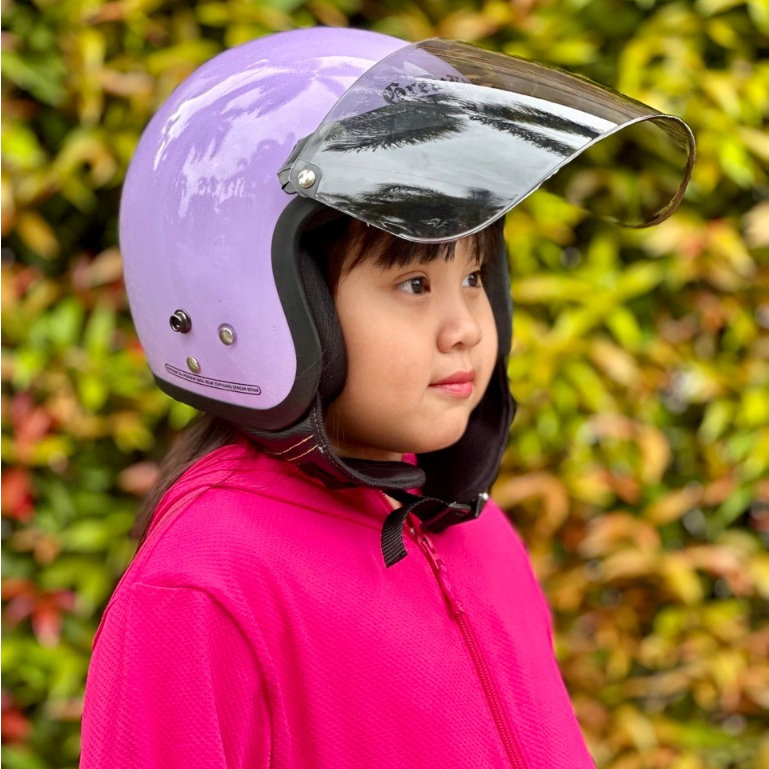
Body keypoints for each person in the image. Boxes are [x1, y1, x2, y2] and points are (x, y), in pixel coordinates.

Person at [79, 27, 695, 769]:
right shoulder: (204, 585)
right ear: (263, 300)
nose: (466, 328)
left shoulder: (474, 529)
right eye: (414, 283)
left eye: (474, 276)